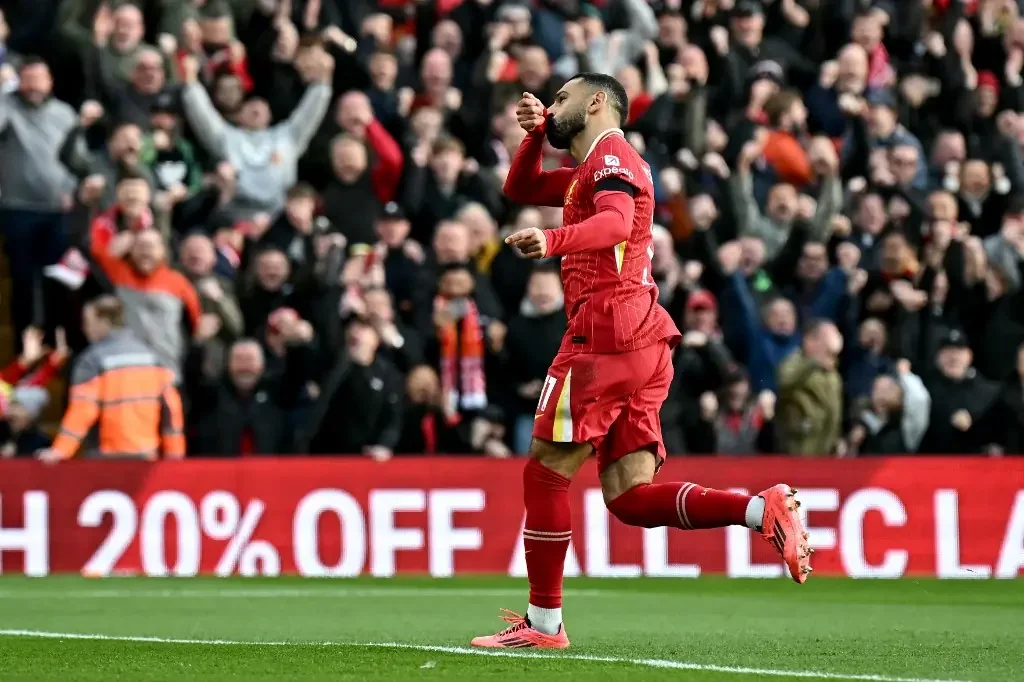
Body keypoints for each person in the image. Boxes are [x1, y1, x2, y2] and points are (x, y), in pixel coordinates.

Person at [471, 74, 811, 650]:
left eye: (561, 99)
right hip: (641, 338)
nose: (552, 107)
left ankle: (545, 624)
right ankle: (762, 510)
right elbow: (520, 187)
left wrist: (552, 241)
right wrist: (534, 135)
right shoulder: (595, 167)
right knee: (629, 497)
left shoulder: (611, 154)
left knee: (546, 467)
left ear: (597, 102)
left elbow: (615, 224)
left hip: (606, 330)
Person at [37, 295, 185, 462]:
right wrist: (174, 454)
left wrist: (60, 451)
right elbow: (171, 409)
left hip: (106, 458)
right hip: (147, 456)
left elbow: (83, 409)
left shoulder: (92, 359)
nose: (85, 329)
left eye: (88, 321)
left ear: (104, 321)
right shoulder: (151, 356)